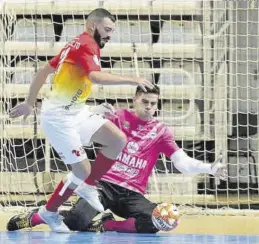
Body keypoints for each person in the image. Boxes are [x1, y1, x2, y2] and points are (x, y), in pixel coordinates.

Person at [7, 85, 227, 233]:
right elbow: (79, 119)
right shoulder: (118, 117)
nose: (149, 107)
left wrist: (209, 168)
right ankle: (37, 217)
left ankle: (107, 224)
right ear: (135, 100)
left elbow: (181, 161)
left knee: (160, 220)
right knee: (78, 221)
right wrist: (94, 111)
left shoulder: (161, 131)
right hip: (103, 186)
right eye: (145, 102)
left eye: (153, 103)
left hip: (132, 193)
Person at [9, 8, 153, 232]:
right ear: (92, 26)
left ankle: (70, 197)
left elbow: (44, 70)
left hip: (75, 112)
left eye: (112, 31)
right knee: (82, 171)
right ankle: (61, 203)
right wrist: (133, 78)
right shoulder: (87, 44)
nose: (109, 35)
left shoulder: (75, 44)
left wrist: (30, 101)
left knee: (117, 140)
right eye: (107, 29)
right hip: (58, 119)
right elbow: (94, 76)